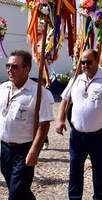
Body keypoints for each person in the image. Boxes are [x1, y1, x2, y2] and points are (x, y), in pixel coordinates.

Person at [55, 49, 102, 200]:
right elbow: (65, 99)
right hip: (77, 135)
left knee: (99, 169)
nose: (86, 65)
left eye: (89, 62)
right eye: (83, 62)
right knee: (75, 168)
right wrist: (60, 119)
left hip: (99, 134)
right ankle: (74, 197)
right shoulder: (76, 80)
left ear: (97, 61)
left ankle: (99, 196)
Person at [0, 50, 54, 199]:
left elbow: (44, 124)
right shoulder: (3, 88)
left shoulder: (38, 93)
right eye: (8, 66)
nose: (10, 70)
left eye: (15, 66)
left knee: (15, 193)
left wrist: (34, 151)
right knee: (19, 189)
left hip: (24, 150)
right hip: (4, 148)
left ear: (26, 69)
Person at [42, 78, 55, 150]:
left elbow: (51, 102)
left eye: (42, 83)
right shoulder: (35, 91)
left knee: (43, 128)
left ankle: (45, 141)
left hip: (44, 112)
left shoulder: (47, 92)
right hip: (36, 112)